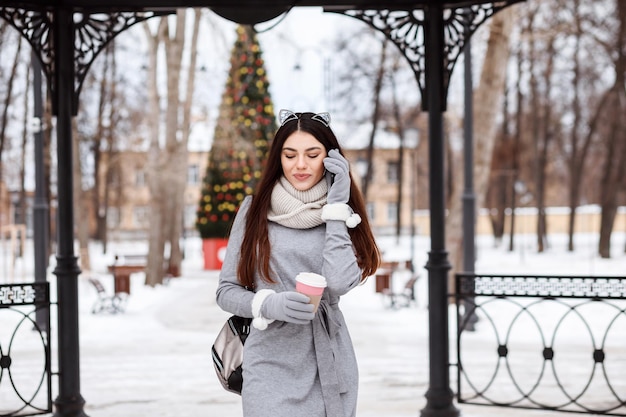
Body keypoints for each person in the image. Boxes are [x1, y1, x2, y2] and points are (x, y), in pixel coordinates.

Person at [216, 109, 381, 417]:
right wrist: (267, 304)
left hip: (329, 363)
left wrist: (336, 208)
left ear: (330, 158)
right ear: (278, 158)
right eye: (289, 155)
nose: (300, 165)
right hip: (269, 361)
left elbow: (338, 282)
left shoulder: (344, 215)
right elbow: (226, 290)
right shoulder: (253, 212)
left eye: (312, 154)